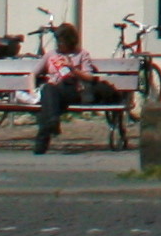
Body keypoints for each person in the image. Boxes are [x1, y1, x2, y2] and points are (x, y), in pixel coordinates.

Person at [33, 24, 122, 153]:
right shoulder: (51, 55)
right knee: (48, 89)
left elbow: (90, 78)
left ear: (70, 41)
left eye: (61, 42)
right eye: (57, 41)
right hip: (57, 90)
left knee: (49, 100)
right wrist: (31, 90)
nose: (58, 45)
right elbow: (34, 73)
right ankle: (52, 122)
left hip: (76, 90)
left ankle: (45, 135)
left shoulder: (81, 54)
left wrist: (72, 69)